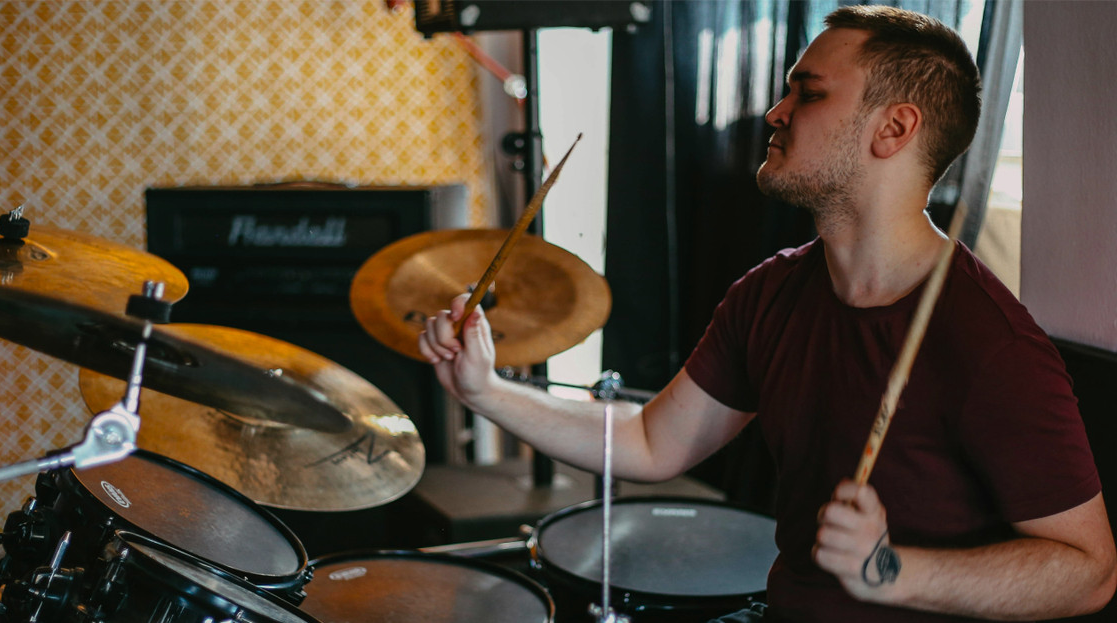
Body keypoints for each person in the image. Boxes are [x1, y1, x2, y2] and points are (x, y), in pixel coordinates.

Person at [418, 5, 1116, 622]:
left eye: (807, 93)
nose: (775, 112)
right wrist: (487, 391)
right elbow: (651, 443)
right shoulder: (771, 293)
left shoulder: (987, 340)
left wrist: (892, 569)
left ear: (893, 128)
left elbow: (1090, 572)